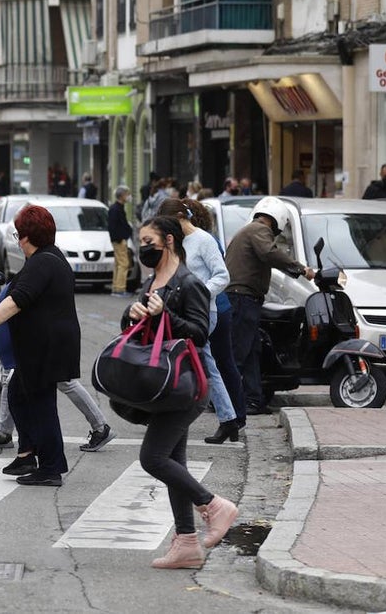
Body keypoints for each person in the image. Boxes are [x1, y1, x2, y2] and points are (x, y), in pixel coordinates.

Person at [122, 216, 238, 568]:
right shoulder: (151, 282)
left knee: (152, 458)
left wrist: (165, 314)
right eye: (141, 242)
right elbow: (138, 330)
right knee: (175, 463)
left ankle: (214, 505)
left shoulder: (189, 283)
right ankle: (187, 543)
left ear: (169, 241)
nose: (143, 248)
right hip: (164, 385)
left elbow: (200, 334)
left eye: (148, 241)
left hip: (187, 384)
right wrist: (131, 314)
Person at [0, 205, 78, 486]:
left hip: (45, 349)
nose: (17, 240)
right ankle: (27, 454)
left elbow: (15, 301)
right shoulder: (49, 258)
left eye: (18, 235)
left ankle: (51, 468)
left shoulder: (42, 263)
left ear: (28, 237)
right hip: (44, 347)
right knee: (17, 394)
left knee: (41, 406)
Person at [0, 282, 112, 456]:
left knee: (64, 382)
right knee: (14, 381)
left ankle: (100, 427)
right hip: (25, 346)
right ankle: (3, 432)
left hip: (35, 346)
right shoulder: (27, 278)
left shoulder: (37, 279)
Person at [158, 199, 241, 443]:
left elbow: (222, 276)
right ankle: (228, 420)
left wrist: (200, 293)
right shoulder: (177, 242)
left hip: (203, 313)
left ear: (180, 217)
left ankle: (176, 418)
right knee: (199, 364)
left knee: (187, 363)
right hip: (182, 312)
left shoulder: (204, 240)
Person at [224, 197, 314, 415]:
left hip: (243, 299)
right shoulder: (259, 230)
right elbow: (270, 253)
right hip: (242, 299)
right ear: (278, 219)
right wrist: (302, 269)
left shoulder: (248, 231)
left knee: (251, 352)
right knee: (239, 353)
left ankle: (253, 400)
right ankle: (225, 403)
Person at [108, 185, 133, 296]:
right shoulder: (116, 209)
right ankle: (120, 289)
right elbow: (114, 226)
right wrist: (120, 238)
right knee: (124, 263)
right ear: (122, 195)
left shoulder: (117, 208)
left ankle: (116, 287)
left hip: (118, 239)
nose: (129, 196)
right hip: (119, 240)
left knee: (118, 263)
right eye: (127, 194)